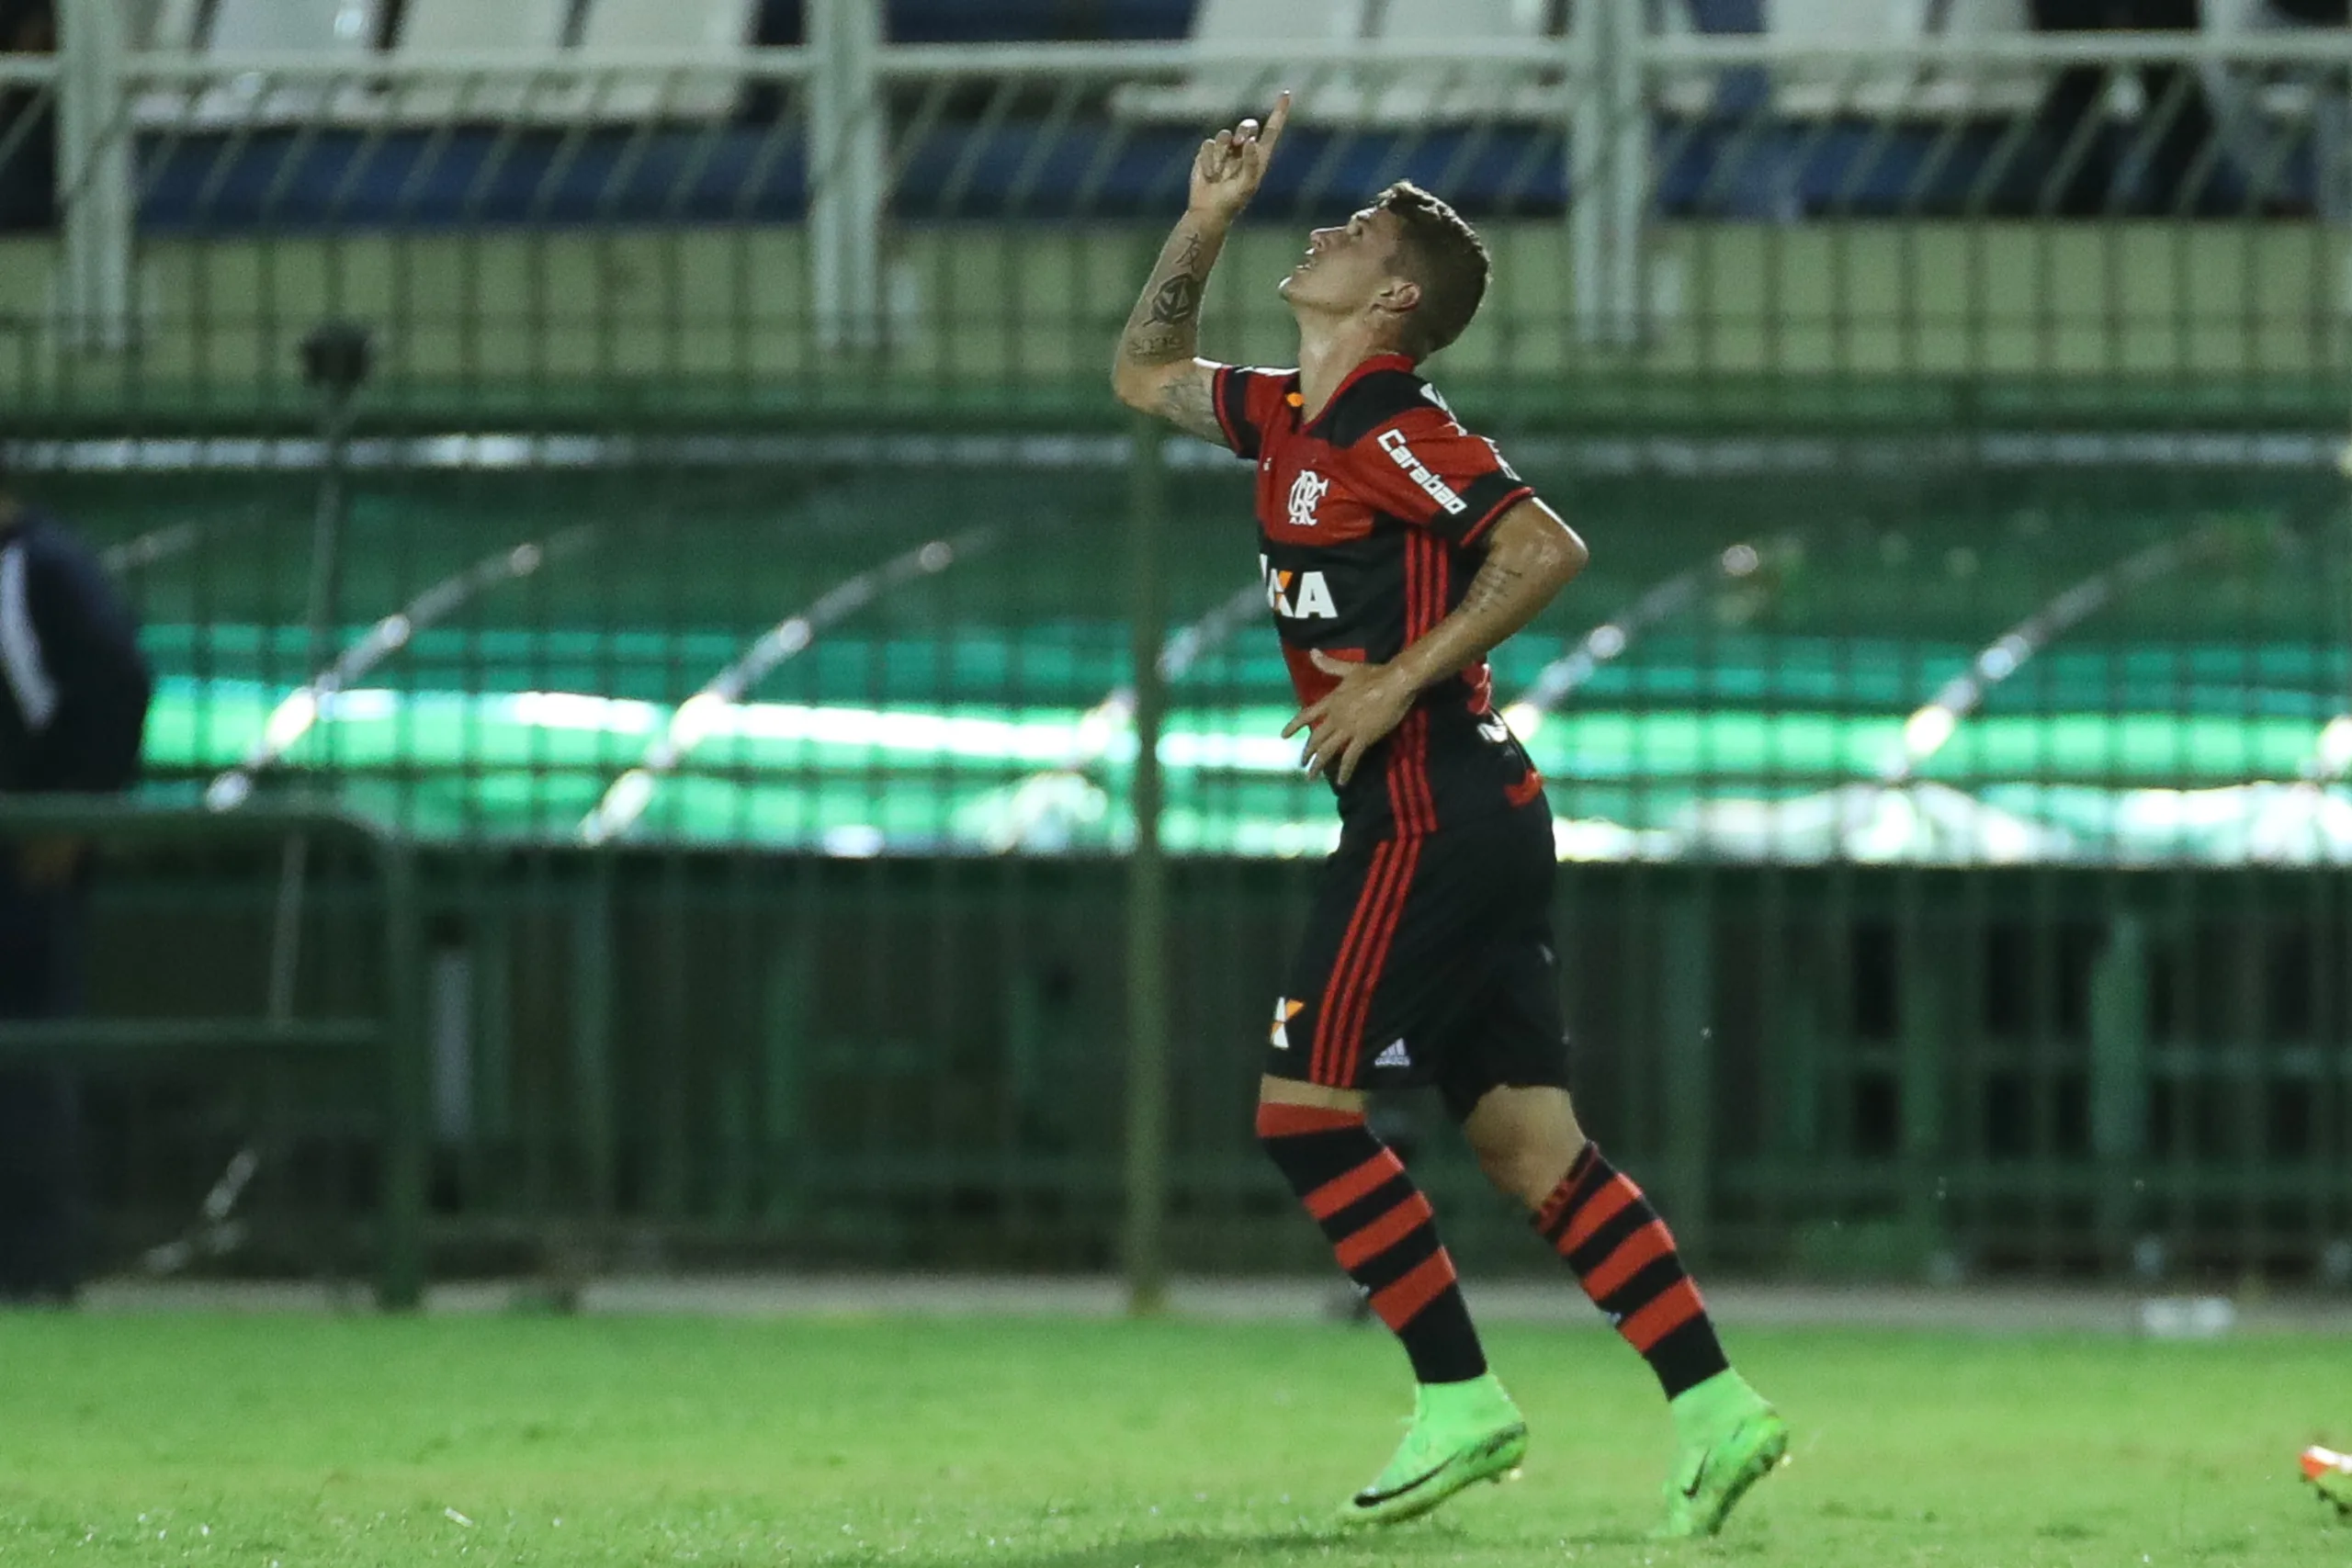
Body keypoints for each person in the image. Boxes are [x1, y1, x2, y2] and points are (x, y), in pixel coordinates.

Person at [1110, 96, 1786, 1538]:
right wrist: (1204, 220)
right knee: (1529, 1146)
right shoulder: (1286, 413)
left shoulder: (1393, 423)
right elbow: (1144, 369)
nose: (1325, 230)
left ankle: (1461, 1399)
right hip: (1469, 807)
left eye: (1353, 232)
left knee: (1302, 1114)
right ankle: (1717, 1404)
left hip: (1427, 805)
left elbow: (1544, 546)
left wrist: (1393, 683)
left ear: (1396, 296)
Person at [0, 453, 153, 1303]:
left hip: (20, 871)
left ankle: (33, 1266)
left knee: (26, 1062)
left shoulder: (39, 569)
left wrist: (75, 813)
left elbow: (116, 681)